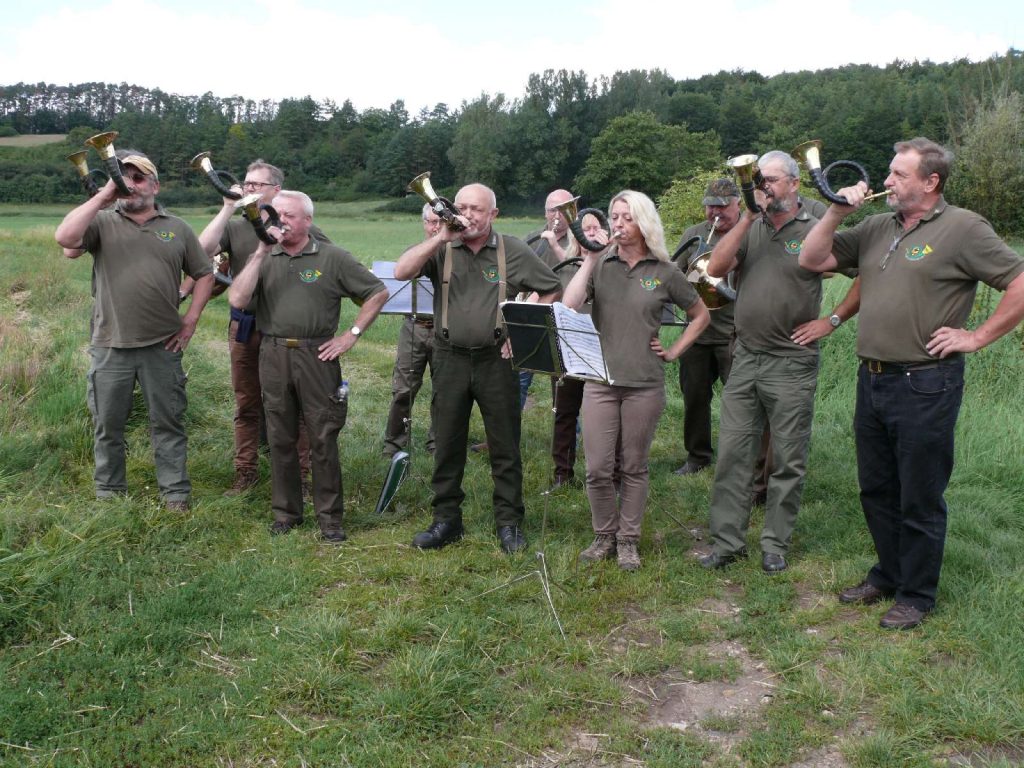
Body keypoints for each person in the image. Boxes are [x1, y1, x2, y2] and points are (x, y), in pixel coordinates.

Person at [799, 137, 1024, 629]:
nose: (886, 182)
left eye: (898, 175)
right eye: (889, 173)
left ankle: (917, 595)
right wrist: (836, 212)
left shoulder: (963, 229)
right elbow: (811, 260)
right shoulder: (878, 225)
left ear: (930, 181)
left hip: (926, 383)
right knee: (876, 488)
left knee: (919, 493)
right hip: (873, 378)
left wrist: (977, 336)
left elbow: (1020, 280)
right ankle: (888, 574)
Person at [700, 151, 859, 574]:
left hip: (792, 362)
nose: (762, 187)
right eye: (757, 181)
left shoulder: (817, 222)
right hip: (746, 357)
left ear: (794, 183)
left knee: (786, 458)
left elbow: (868, 267)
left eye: (769, 179)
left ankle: (775, 543)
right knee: (733, 453)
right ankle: (727, 542)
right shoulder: (749, 226)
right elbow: (714, 269)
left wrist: (833, 319)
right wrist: (748, 218)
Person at [394, 183, 561, 554]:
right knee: (448, 442)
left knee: (504, 444)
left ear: (493, 215)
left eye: (477, 210)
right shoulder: (444, 248)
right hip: (449, 356)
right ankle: (446, 520)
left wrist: (521, 330)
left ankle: (509, 523)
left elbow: (551, 287)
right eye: (462, 207)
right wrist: (439, 238)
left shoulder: (511, 250)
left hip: (495, 360)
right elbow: (403, 270)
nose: (468, 215)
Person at [54, 150, 215, 510]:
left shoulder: (177, 228)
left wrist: (191, 319)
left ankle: (175, 494)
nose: (131, 184)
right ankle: (110, 494)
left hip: (163, 346)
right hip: (110, 344)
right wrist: (104, 195)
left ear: (155, 185)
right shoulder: (102, 222)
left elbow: (204, 273)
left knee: (168, 423)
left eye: (138, 177)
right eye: (123, 177)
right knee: (107, 426)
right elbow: (65, 238)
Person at [229, 191, 388, 543]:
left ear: (307, 221)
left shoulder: (332, 257)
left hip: (317, 355)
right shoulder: (264, 257)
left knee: (322, 436)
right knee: (280, 436)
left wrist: (352, 334)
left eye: (288, 215)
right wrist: (259, 253)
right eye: (276, 215)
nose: (280, 220)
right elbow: (238, 299)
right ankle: (286, 514)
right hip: (272, 353)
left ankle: (330, 518)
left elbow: (377, 292)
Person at [563, 190, 710, 571]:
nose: (618, 224)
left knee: (633, 466)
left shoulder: (664, 272)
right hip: (600, 381)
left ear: (644, 223)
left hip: (644, 383)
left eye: (627, 217)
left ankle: (628, 540)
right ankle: (603, 535)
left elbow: (700, 315)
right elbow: (569, 305)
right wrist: (591, 258)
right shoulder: (602, 265)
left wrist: (675, 349)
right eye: (615, 216)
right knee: (597, 467)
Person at [182, 159, 327, 497]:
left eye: (256, 185)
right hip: (247, 327)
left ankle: (301, 477)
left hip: (288, 330)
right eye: (246, 184)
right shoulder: (236, 228)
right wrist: (227, 208)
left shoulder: (306, 230)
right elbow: (199, 252)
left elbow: (328, 268)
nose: (248, 189)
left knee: (296, 406)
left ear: (277, 190)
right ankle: (245, 472)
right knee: (247, 403)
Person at [382, 204, 441, 458]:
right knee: (403, 388)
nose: (435, 227)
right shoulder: (414, 253)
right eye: (430, 222)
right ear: (423, 224)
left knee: (445, 390)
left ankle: (438, 444)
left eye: (440, 222)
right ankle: (394, 443)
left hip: (445, 329)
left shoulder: (458, 254)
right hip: (414, 326)